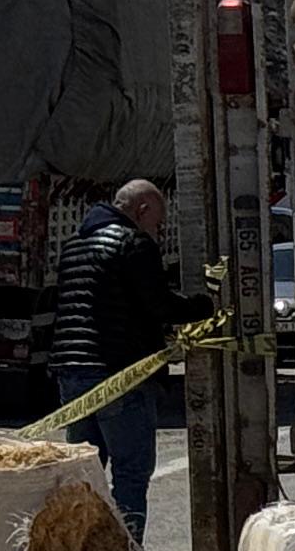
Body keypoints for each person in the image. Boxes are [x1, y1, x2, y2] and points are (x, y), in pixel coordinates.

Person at [45, 180, 197, 531]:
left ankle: (83, 549)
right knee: (130, 472)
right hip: (121, 375)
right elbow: (158, 304)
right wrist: (203, 307)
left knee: (85, 474)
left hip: (72, 375)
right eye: (158, 223)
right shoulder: (133, 243)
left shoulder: (73, 245)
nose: (158, 232)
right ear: (142, 211)